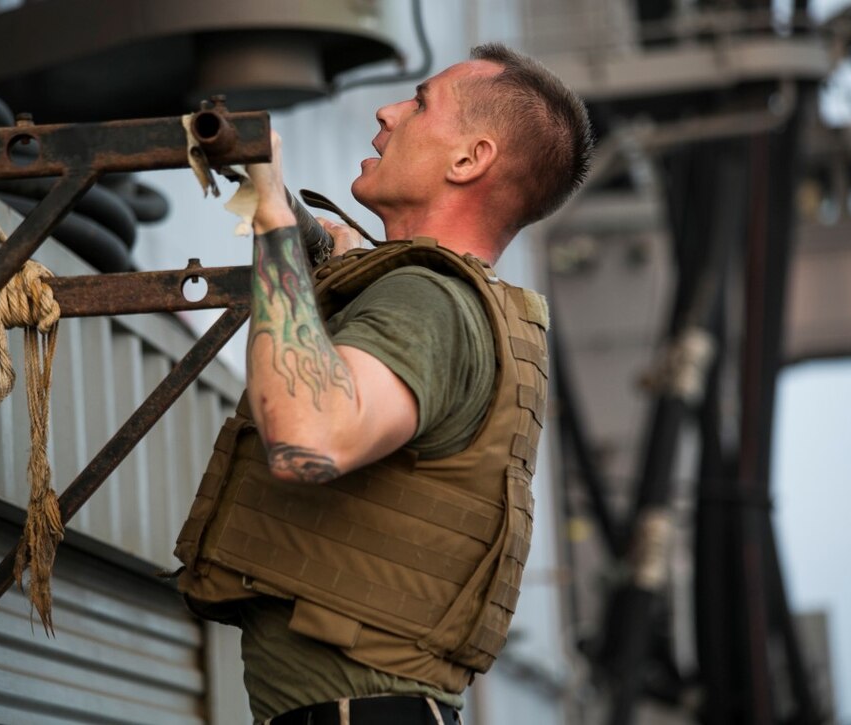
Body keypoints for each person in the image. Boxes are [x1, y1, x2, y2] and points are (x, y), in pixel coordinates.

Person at [174, 43, 592, 724]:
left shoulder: (429, 303)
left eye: (421, 102)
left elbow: (309, 437)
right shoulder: (442, 302)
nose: (387, 111)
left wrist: (275, 218)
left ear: (469, 160)